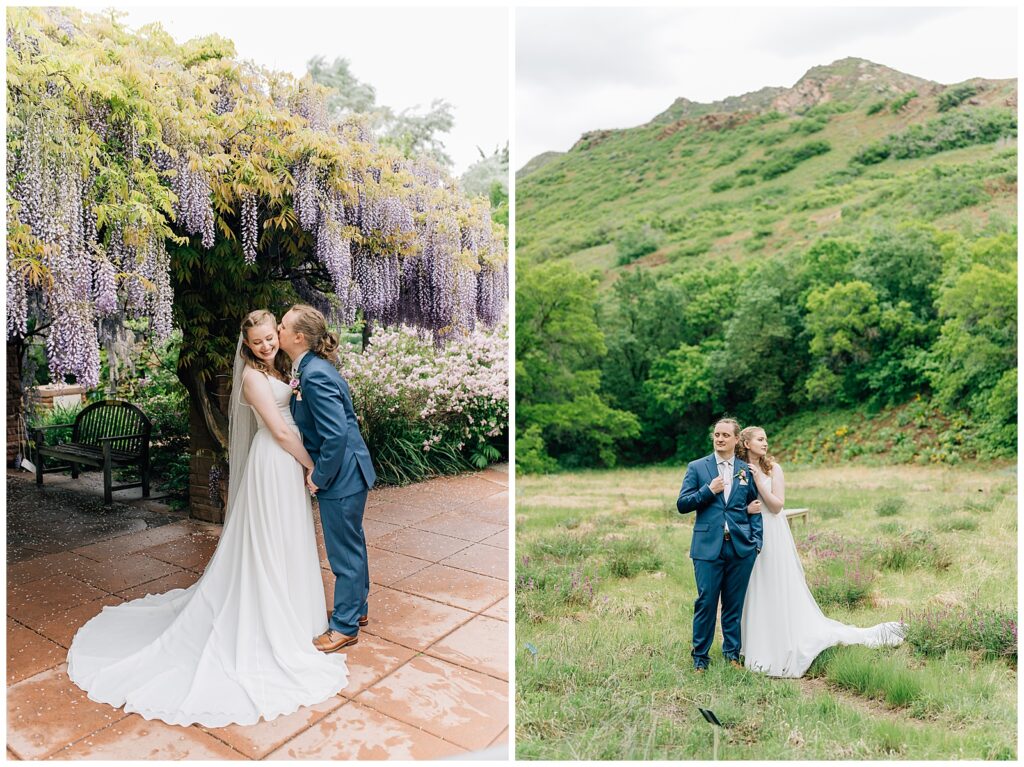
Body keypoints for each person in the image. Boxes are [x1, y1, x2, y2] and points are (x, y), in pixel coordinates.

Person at [66, 310, 348, 727]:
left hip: (288, 463)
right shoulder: (252, 378)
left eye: (271, 338)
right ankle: (272, 619)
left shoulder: (284, 366)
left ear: (279, 335)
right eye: (258, 343)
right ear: (247, 346)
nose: (267, 347)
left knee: (290, 539)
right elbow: (282, 432)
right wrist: (311, 466)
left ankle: (298, 614)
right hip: (276, 461)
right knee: (270, 539)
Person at [738, 425, 903, 677]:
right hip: (749, 533)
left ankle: (781, 642)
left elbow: (777, 507)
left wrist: (760, 482)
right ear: (747, 443)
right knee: (754, 584)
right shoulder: (738, 468)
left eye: (766, 439)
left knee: (774, 582)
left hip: (773, 531)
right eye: (760, 439)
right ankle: (754, 643)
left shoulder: (773, 469)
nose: (766, 443)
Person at [277, 304, 376, 653]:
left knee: (343, 553)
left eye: (283, 326)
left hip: (342, 476)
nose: (277, 330)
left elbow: (335, 436)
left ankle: (345, 627)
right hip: (350, 471)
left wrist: (318, 476)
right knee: (353, 544)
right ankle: (357, 609)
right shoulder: (310, 368)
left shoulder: (315, 374)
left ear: (299, 337)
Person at [676, 417, 763, 673]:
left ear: (737, 440)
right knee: (706, 602)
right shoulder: (697, 467)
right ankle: (700, 659)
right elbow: (682, 504)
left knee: (733, 604)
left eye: (725, 435)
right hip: (707, 547)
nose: (720, 439)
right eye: (716, 434)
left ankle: (732, 655)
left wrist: (756, 543)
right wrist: (708, 490)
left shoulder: (745, 470)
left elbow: (754, 509)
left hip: (740, 548)